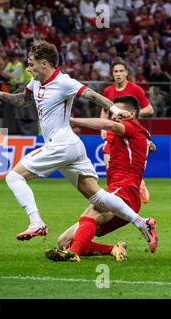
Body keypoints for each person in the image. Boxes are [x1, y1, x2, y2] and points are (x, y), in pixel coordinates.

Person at [0, 41, 157, 254]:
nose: (29, 68)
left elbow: (92, 95)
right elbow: (23, 100)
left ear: (45, 64)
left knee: (14, 177)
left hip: (62, 143)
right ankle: (141, 222)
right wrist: (0, 95)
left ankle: (36, 222)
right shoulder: (36, 82)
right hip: (72, 148)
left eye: (32, 64)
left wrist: (113, 108)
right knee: (97, 196)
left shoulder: (64, 82)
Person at [46, 96, 155, 262]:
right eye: (113, 112)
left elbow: (109, 125)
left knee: (91, 214)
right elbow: (149, 146)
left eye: (119, 112)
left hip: (123, 191)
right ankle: (114, 249)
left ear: (131, 113)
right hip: (126, 195)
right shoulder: (136, 135)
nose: (115, 116)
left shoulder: (131, 127)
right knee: (64, 241)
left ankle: (72, 254)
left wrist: (73, 120)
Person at [101, 60, 154, 205]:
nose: (118, 74)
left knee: (117, 160)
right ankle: (116, 188)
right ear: (112, 74)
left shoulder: (135, 90)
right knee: (108, 157)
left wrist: (131, 115)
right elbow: (104, 110)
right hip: (113, 128)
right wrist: (103, 128)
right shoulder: (108, 91)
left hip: (130, 129)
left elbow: (149, 109)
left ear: (126, 73)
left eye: (120, 71)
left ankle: (135, 184)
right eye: (115, 72)